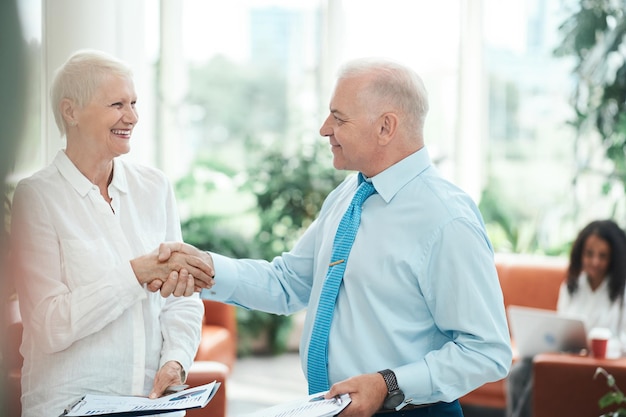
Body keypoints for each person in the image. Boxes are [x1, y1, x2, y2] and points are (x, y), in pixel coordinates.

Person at [163, 57, 512, 417]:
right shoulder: (349, 194)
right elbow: (289, 283)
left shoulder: (446, 219)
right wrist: (207, 269)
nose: (324, 129)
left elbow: (486, 351)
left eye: (339, 117)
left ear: (385, 127)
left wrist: (388, 384)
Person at [9, 49, 215, 417]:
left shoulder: (155, 187)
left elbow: (181, 296)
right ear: (71, 112)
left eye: (134, 102)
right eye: (117, 104)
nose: (133, 117)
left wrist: (177, 359)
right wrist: (136, 274)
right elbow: (49, 325)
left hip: (152, 405)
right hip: (66, 406)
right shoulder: (36, 197)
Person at [506, 219, 626, 417]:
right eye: (589, 254)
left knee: (538, 379)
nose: (595, 261)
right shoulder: (572, 287)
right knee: (519, 371)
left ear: (614, 258)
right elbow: (560, 329)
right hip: (567, 357)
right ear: (580, 254)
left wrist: (600, 346)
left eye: (603, 256)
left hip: (601, 365)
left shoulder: (621, 292)